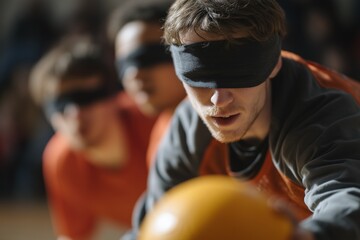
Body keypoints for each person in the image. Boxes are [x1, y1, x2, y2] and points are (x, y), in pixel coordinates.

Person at [123, 0, 360, 240]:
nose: (219, 99)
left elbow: (348, 199)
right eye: (199, 76)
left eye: (239, 74)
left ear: (273, 63)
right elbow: (150, 226)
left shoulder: (324, 113)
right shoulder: (188, 131)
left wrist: (310, 236)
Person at [29, 35, 156, 240]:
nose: (75, 114)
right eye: (60, 104)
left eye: (85, 98)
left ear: (112, 96)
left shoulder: (153, 118)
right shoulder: (61, 162)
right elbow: (73, 236)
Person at [107, 0, 186, 166]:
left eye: (147, 58)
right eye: (123, 65)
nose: (134, 74)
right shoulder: (162, 135)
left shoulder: (228, 118)